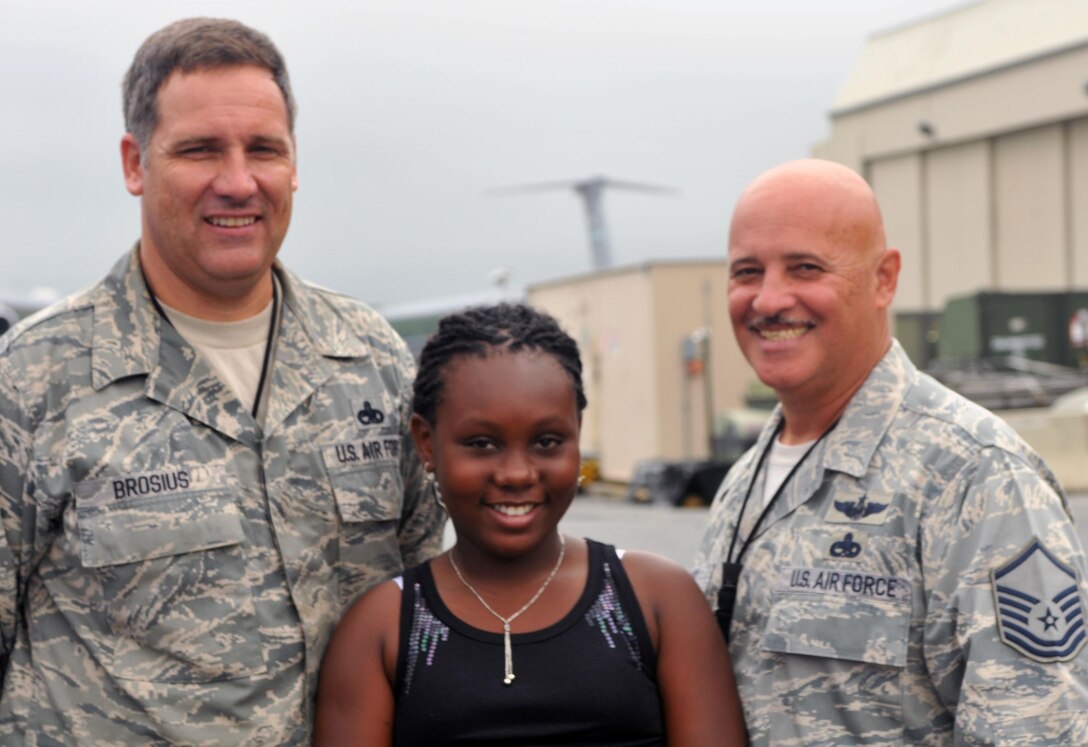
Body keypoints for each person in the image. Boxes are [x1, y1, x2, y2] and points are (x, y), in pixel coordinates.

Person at [0, 18, 444, 744]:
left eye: (263, 149)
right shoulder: (33, 379)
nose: (237, 182)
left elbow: (427, 594)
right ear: (135, 162)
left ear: (293, 162)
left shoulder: (373, 359)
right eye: (201, 149)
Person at [693, 158, 1088, 745]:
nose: (769, 299)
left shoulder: (974, 477)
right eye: (747, 272)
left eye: (805, 267)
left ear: (884, 279)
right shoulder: (745, 481)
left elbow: (1033, 730)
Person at [315, 303, 747, 746]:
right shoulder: (381, 628)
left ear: (577, 434)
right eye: (482, 444)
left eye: (547, 441)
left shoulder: (657, 599)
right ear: (427, 443)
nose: (517, 473)